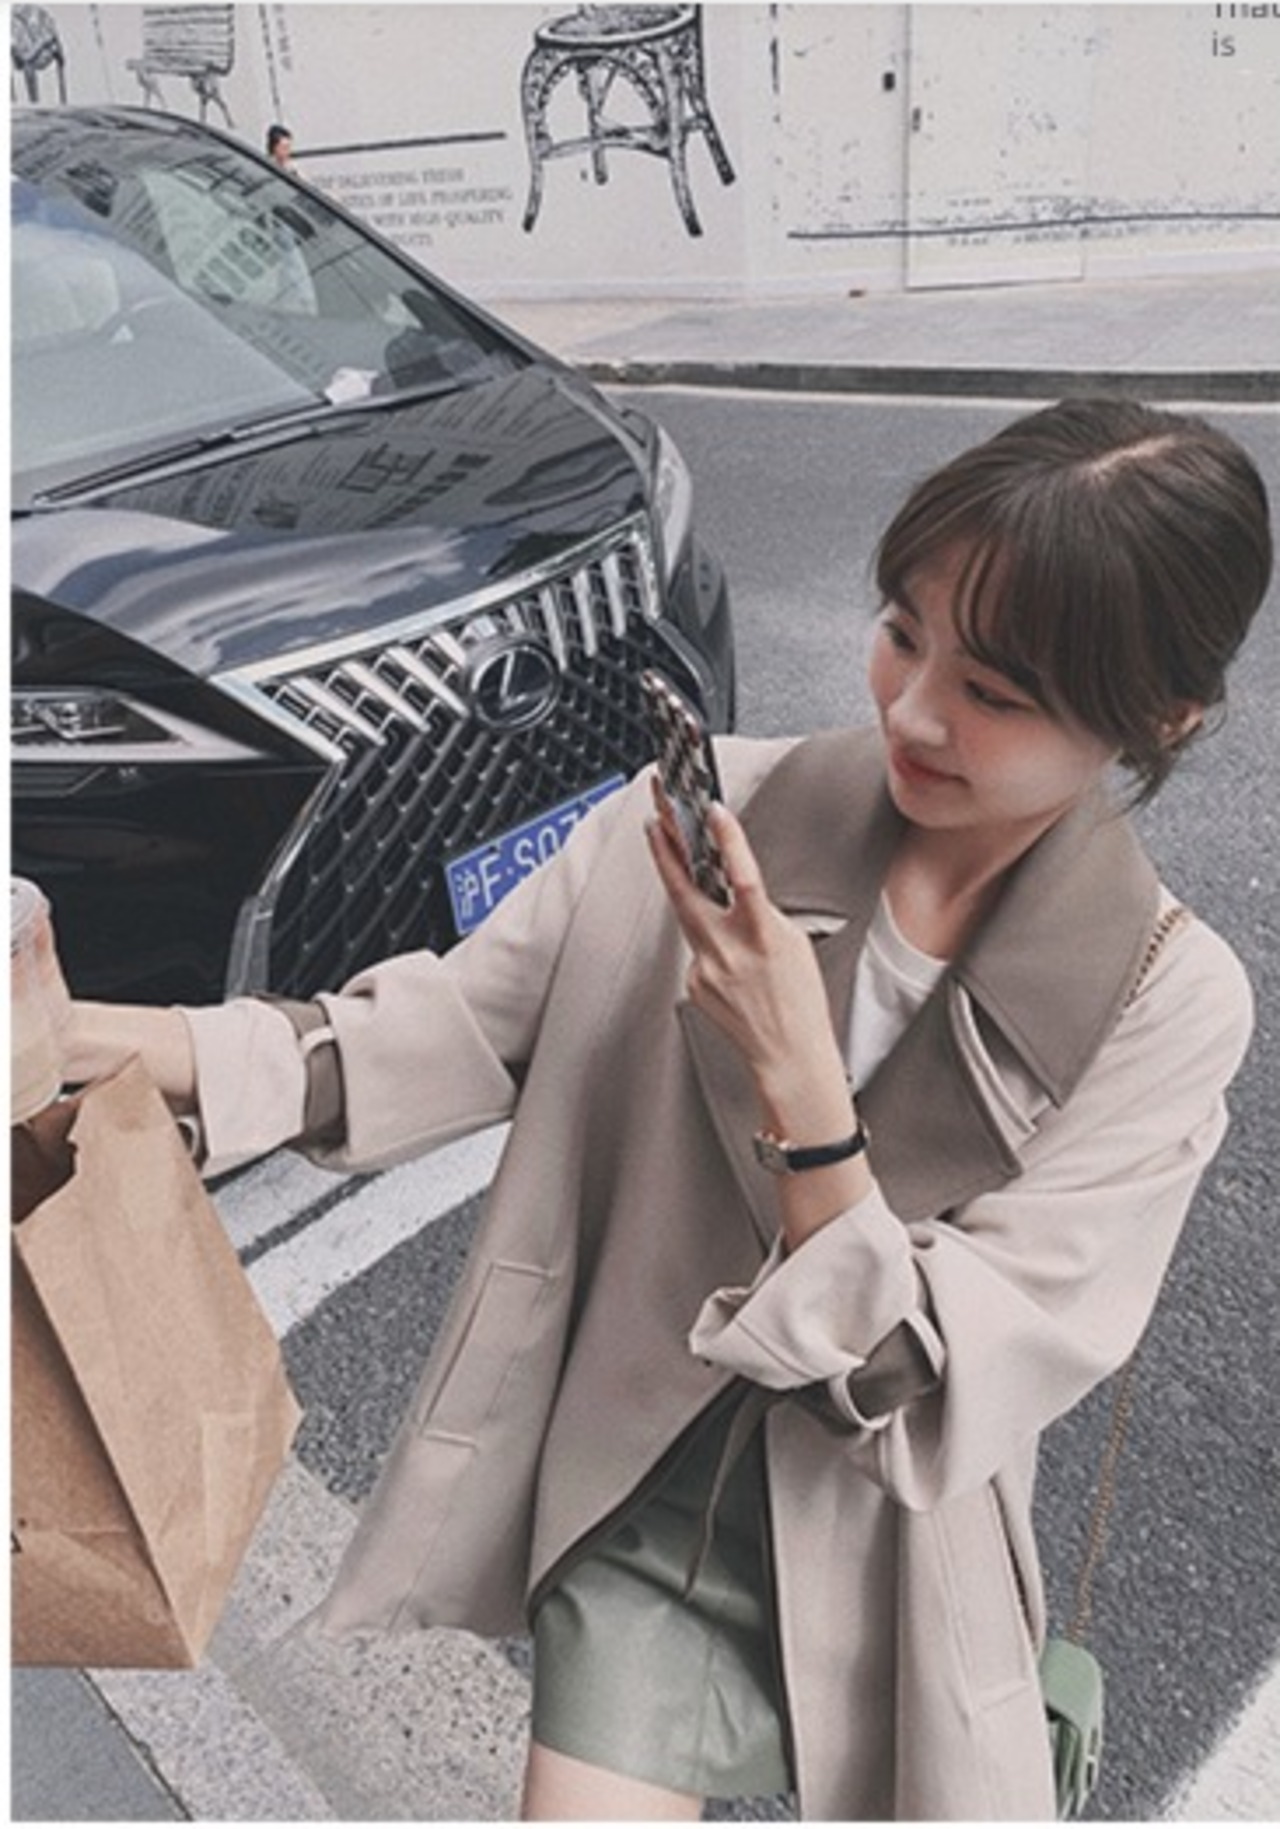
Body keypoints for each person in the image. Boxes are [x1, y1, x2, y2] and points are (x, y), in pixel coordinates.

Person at [63, 399, 1271, 1820]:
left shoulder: (1164, 1000)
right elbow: (411, 1039)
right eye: (901, 630)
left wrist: (797, 1072)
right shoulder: (718, 813)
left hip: (892, 1553)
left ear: (1162, 718)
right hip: (639, 1496)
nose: (911, 709)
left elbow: (921, 1377)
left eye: (994, 694)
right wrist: (71, 1032)